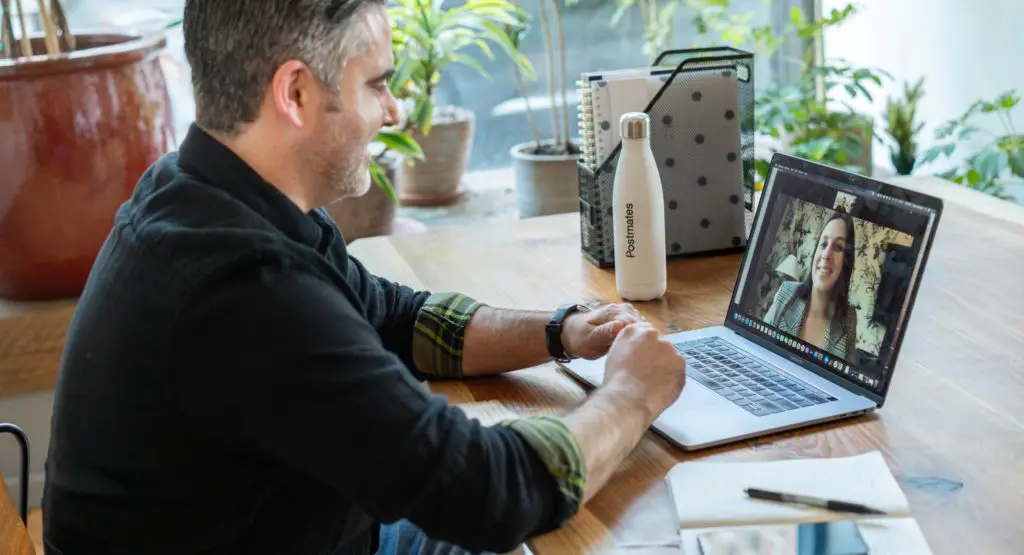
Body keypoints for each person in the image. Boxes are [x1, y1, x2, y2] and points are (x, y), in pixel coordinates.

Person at [40, 2, 688, 554]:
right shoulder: (246, 293)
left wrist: (562, 332)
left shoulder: (202, 191)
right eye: (377, 84)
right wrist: (633, 393)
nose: (395, 110)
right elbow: (491, 492)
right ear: (295, 93)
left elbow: (391, 317)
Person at [763, 212, 858, 361]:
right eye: (823, 244)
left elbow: (845, 376)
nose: (827, 254)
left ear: (846, 262)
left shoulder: (849, 318)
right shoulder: (786, 292)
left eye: (838, 247)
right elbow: (759, 345)